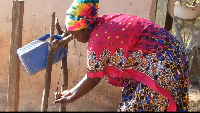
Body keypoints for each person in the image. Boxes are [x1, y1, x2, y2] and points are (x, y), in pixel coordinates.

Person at [52, 0, 189, 112]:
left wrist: (70, 99)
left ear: (87, 28)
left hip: (162, 64)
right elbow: (93, 72)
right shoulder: (103, 24)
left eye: (75, 35)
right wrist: (70, 92)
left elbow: (93, 79)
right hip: (170, 58)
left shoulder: (97, 39)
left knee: (137, 107)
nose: (75, 39)